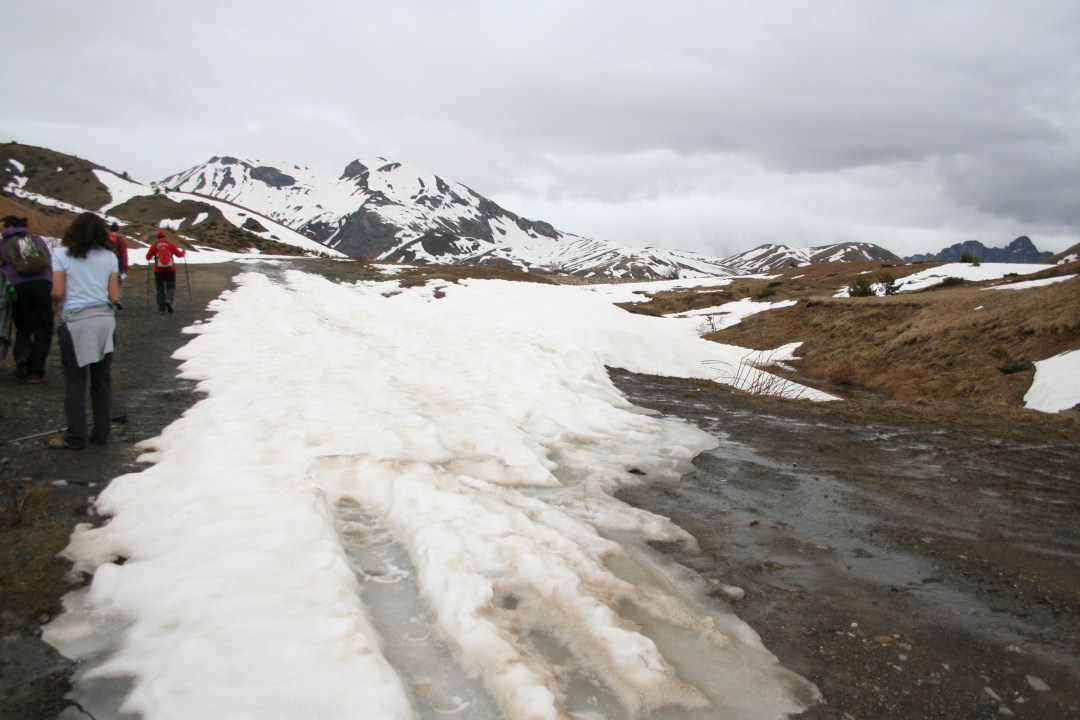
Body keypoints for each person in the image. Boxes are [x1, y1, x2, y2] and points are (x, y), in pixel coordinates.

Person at [49, 212, 119, 450]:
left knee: (75, 380)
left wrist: (55, 305)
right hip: (104, 321)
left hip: (77, 321)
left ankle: (76, 436)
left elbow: (57, 291)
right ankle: (101, 432)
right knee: (102, 379)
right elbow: (113, 296)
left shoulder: (61, 255)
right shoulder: (110, 257)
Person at [0, 215, 54, 384]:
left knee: (23, 326)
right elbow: (49, 261)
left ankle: (22, 356)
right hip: (43, 284)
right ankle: (36, 372)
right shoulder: (37, 239)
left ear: (8, 227)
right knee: (43, 328)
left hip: (18, 287)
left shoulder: (3, 244)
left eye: (2, 227)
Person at [146, 230, 185, 314]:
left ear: (157, 237)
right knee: (171, 287)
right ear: (165, 236)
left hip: (158, 271)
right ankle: (168, 300)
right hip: (170, 270)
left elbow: (148, 257)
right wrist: (183, 252)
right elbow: (179, 254)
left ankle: (161, 308)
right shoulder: (170, 245)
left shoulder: (154, 246)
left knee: (160, 289)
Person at [108, 222, 129, 309]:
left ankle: (108, 298)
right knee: (119, 281)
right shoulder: (120, 240)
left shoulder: (105, 239)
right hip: (117, 263)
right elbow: (124, 254)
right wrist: (125, 267)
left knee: (107, 280)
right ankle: (116, 299)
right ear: (118, 229)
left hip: (106, 262)